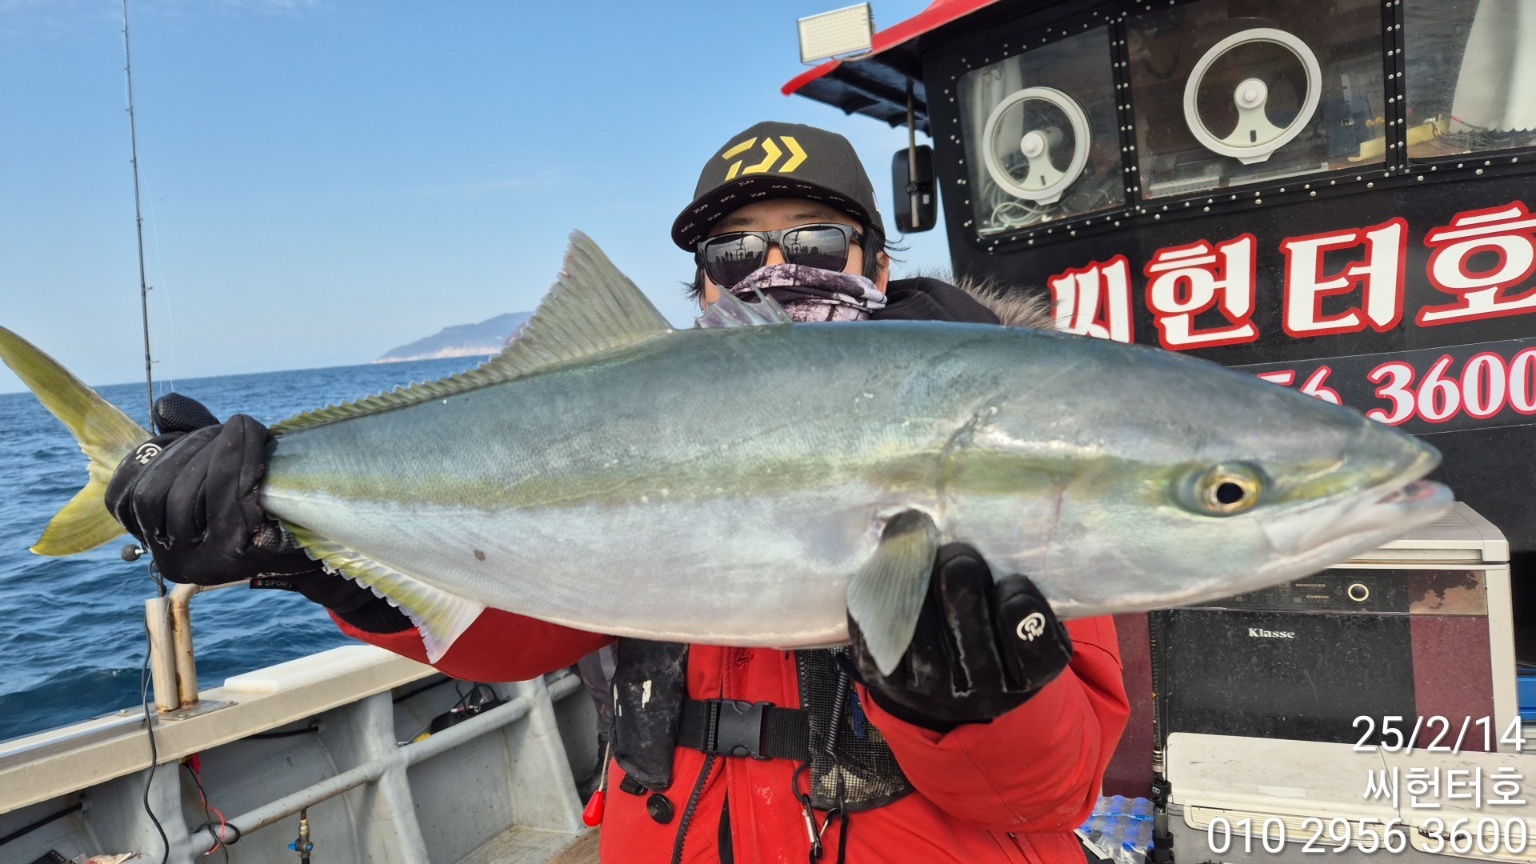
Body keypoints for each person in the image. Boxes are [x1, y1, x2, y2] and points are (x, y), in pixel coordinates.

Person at [104, 121, 1129, 864]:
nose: (775, 267)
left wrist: (977, 708)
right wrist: (317, 561)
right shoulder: (626, 429)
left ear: (877, 260)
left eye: (816, 241)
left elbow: (1053, 791)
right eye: (735, 250)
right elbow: (517, 633)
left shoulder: (998, 437)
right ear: (702, 284)